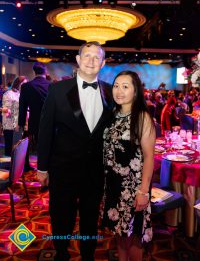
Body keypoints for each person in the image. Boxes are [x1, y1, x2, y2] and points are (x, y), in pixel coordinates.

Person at [37, 41, 113, 261]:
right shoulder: (58, 89)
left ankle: (87, 255)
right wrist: (42, 167)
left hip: (95, 170)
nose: (91, 60)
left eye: (96, 57)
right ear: (78, 60)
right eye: (86, 56)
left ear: (103, 63)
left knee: (90, 218)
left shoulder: (109, 91)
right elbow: (45, 129)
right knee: (62, 217)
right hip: (63, 169)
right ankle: (61, 253)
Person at [102, 71, 156, 261]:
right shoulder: (112, 114)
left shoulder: (142, 117)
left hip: (133, 188)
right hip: (113, 185)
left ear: (136, 91)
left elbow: (149, 157)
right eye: (116, 85)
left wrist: (143, 191)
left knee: (134, 238)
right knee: (119, 235)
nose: (119, 91)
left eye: (126, 86)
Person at [18, 62, 51, 170]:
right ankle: (47, 167)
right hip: (51, 121)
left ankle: (35, 168)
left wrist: (21, 124)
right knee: (49, 146)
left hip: (34, 121)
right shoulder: (52, 85)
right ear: (45, 72)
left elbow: (22, 107)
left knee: (36, 146)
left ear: (34, 71)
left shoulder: (26, 86)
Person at [2, 76, 28, 156]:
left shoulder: (21, 93)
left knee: (18, 148)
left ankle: (17, 166)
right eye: (24, 84)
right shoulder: (8, 94)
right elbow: (6, 110)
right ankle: (8, 166)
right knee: (9, 148)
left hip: (19, 124)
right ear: (18, 83)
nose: (25, 86)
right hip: (10, 125)